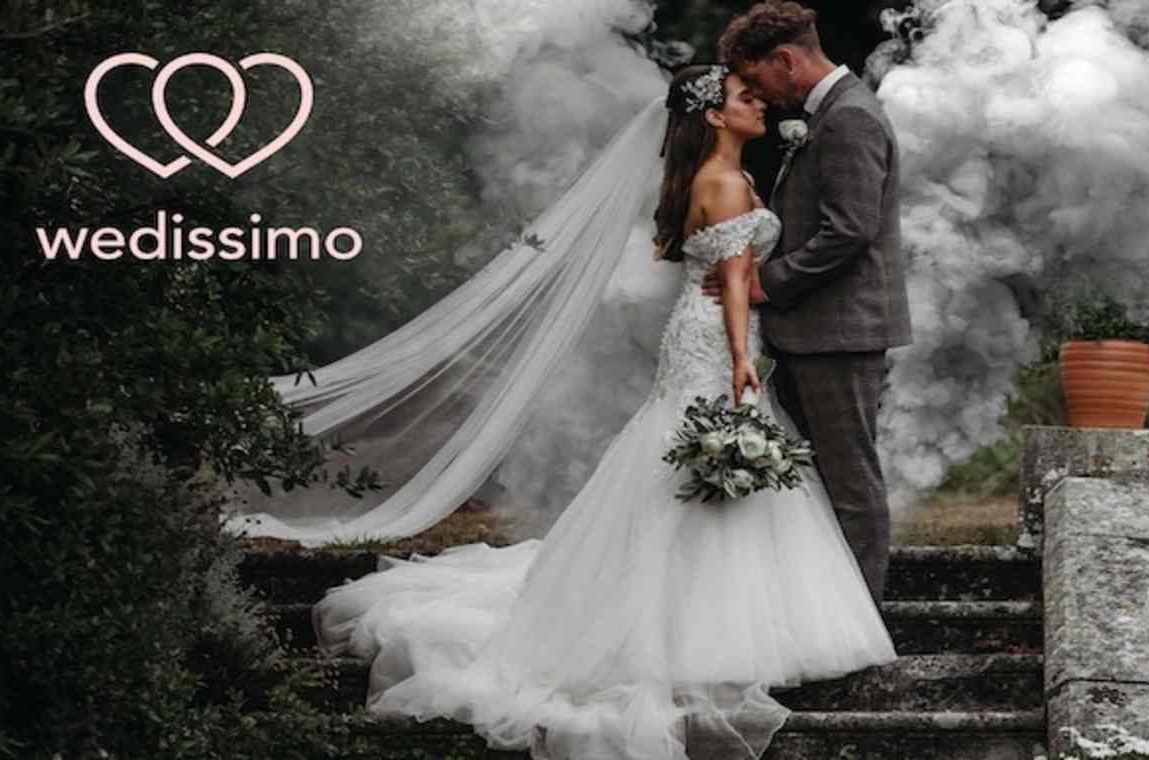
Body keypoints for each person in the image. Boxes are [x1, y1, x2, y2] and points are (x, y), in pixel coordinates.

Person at [311, 64, 896, 760]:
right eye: (745, 98)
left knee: (689, 459)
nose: (760, 104)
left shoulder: (715, 176)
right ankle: (691, 626)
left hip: (703, 332)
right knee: (704, 461)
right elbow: (735, 282)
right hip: (716, 338)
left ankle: (691, 612)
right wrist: (744, 358)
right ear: (714, 115)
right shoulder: (724, 181)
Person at [707, 1, 913, 602]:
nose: (760, 95)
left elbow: (849, 230)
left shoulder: (849, 117)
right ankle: (823, 610)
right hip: (816, 332)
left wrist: (765, 283)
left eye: (758, 78)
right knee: (817, 483)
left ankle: (862, 621)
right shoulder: (830, 115)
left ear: (786, 60)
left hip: (839, 335)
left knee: (849, 484)